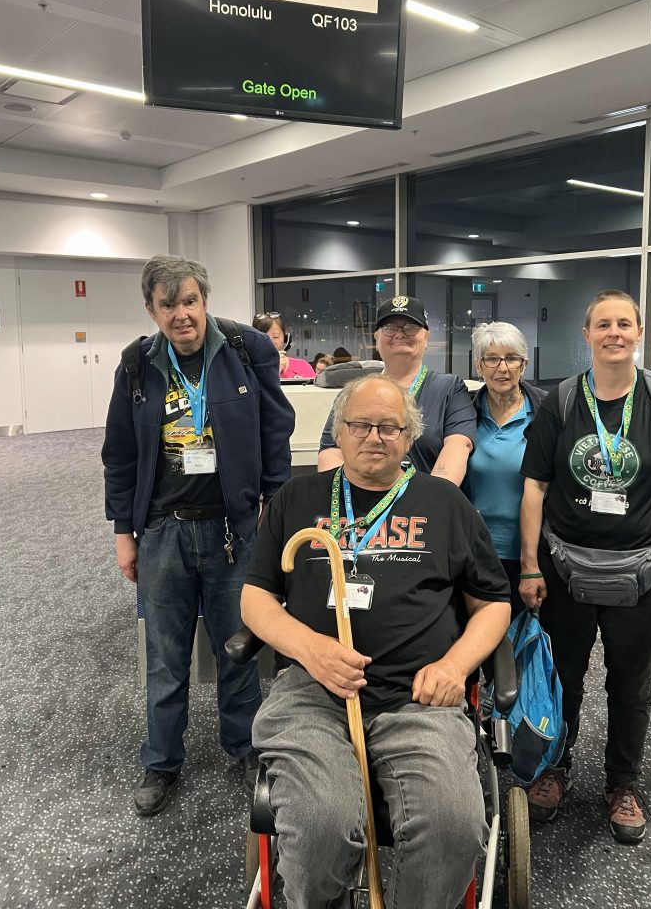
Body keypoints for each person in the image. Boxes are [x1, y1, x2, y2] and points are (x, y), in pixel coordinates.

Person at [241, 375, 511, 909]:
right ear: (338, 434)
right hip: (315, 694)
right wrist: (309, 648)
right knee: (320, 826)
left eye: (390, 427)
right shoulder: (297, 498)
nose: (374, 436)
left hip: (418, 697)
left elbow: (493, 604)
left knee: (455, 826)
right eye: (360, 425)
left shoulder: (446, 504)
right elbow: (256, 599)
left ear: (410, 438)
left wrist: (456, 667)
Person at [102, 255, 295, 817]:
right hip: (162, 531)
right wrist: (123, 532)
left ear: (204, 301)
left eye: (189, 301)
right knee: (165, 655)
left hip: (233, 528)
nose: (181, 314)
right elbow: (118, 455)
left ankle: (245, 747)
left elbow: (274, 428)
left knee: (239, 645)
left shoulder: (244, 349)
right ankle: (162, 761)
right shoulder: (137, 364)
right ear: (152, 310)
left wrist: (271, 505)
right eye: (169, 305)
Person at [519, 289, 651, 844]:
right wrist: (531, 565)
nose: (614, 333)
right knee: (565, 680)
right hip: (565, 569)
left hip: (645, 569)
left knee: (631, 684)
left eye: (624, 324)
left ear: (639, 332)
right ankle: (556, 768)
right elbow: (535, 486)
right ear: (586, 335)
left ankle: (622, 784)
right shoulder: (560, 402)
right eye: (602, 324)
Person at [318, 296, 476, 485]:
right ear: (376, 337)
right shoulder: (355, 391)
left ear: (426, 337)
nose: (400, 334)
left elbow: (458, 446)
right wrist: (352, 498)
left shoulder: (449, 388)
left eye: (411, 328)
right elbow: (331, 451)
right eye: (390, 328)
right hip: (363, 509)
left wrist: (431, 500)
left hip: (426, 507)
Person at [462, 322, 546, 618]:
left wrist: (531, 564)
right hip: (476, 552)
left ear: (524, 365)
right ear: (478, 365)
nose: (502, 368)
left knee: (526, 645)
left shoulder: (545, 411)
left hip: (533, 553)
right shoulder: (463, 415)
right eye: (492, 359)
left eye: (512, 358)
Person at [253, 312, 314, 379]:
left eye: (276, 337)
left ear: (286, 338)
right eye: (264, 337)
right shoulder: (249, 369)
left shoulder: (302, 366)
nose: (270, 342)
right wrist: (274, 371)